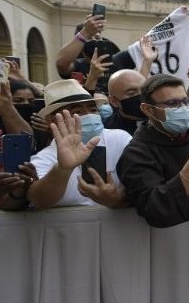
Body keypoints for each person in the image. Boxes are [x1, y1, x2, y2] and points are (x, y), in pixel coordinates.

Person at [117, 74, 189, 227]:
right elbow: (156, 209)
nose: (183, 108)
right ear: (148, 110)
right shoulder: (136, 152)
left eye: (186, 102)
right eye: (172, 103)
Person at [26, 79, 132, 209]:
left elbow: (140, 180)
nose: (89, 115)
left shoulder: (120, 138)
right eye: (78, 112)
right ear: (52, 120)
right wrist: (62, 169)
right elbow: (39, 200)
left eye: (93, 110)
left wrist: (117, 198)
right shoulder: (45, 158)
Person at [103, 69, 147, 135]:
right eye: (132, 93)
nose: (141, 95)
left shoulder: (163, 118)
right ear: (113, 101)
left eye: (144, 90)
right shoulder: (108, 131)